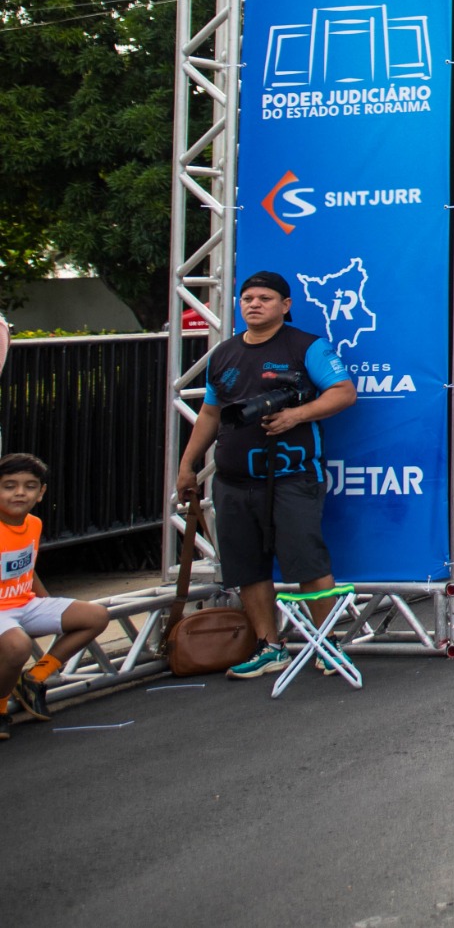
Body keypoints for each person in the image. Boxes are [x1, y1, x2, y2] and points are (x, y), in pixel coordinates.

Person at [169, 271, 358, 679]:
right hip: (233, 480)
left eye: (265, 298)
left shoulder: (305, 346)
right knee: (246, 567)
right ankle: (270, 646)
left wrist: (296, 415)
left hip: (291, 476)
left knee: (306, 561)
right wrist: (188, 466)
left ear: (285, 306)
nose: (254, 304)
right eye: (248, 298)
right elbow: (210, 413)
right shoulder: (223, 354)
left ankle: (328, 642)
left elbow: (344, 392)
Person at [0, 454, 110, 723]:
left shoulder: (34, 524)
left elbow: (27, 567)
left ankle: (34, 679)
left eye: (29, 486)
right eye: (9, 486)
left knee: (96, 616)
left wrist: (48, 603)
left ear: (41, 492)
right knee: (17, 646)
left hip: (24, 605)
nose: (19, 493)